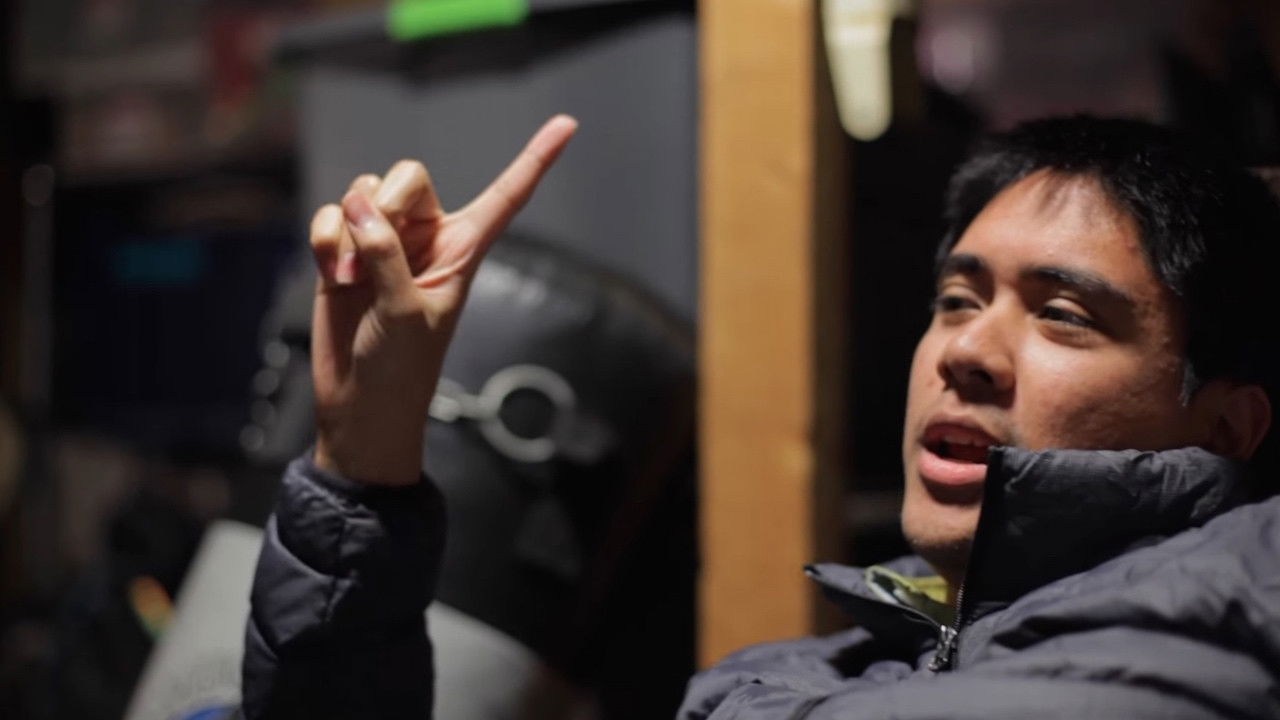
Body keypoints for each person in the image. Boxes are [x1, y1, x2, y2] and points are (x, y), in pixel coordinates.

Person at [239, 115, 1280, 719]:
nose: (964, 350)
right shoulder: (821, 671)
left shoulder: (1200, 642)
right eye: (957, 300)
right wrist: (364, 449)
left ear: (1229, 427)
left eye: (1062, 316)